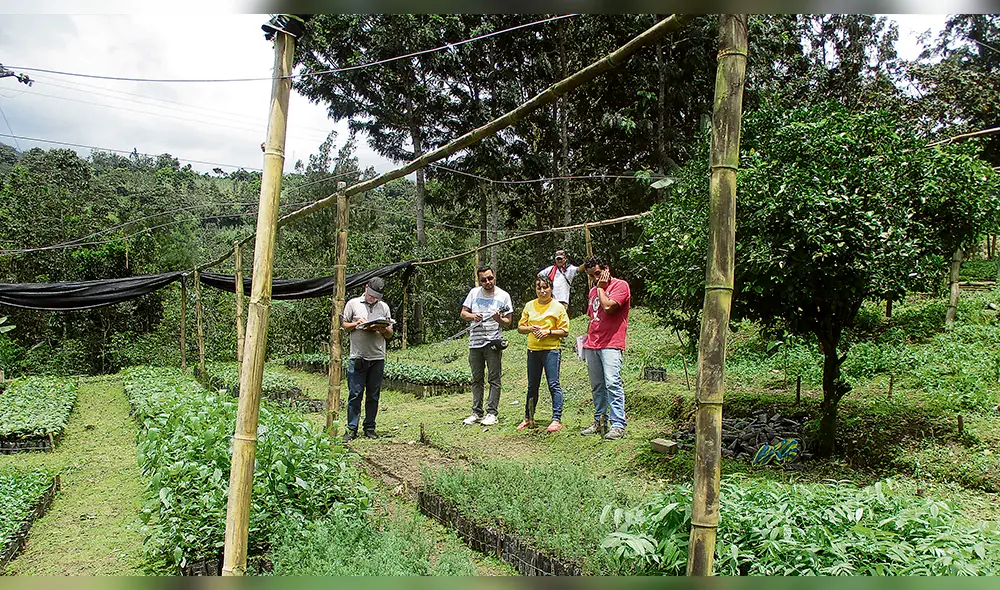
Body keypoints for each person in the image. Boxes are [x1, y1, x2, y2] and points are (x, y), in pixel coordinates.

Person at [580, 256, 631, 440]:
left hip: (611, 343)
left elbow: (609, 307)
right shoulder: (593, 291)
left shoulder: (620, 286)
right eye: (592, 276)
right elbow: (593, 316)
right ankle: (600, 419)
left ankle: (618, 424)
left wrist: (601, 288)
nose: (595, 278)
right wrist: (584, 341)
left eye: (598, 273)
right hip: (593, 343)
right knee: (597, 385)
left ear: (606, 269)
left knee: (612, 382)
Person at [341, 276, 393, 442]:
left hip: (377, 357)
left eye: (376, 297)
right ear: (366, 288)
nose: (373, 299)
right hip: (358, 356)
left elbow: (390, 333)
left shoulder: (384, 307)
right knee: (355, 394)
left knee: (373, 395)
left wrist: (381, 328)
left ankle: (370, 427)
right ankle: (351, 428)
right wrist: (358, 324)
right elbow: (345, 326)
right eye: (371, 295)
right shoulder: (353, 304)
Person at [460, 265, 513, 427]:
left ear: (494, 276)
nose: (487, 282)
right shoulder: (473, 293)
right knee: (477, 379)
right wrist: (472, 316)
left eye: (490, 278)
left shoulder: (503, 296)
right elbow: (463, 313)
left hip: (493, 342)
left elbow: (509, 322)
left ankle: (491, 412)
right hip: (475, 342)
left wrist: (499, 320)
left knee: (494, 378)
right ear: (479, 280)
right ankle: (476, 412)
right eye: (483, 280)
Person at [516, 275, 570, 433]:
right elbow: (520, 327)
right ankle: (528, 417)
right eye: (539, 287)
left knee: (553, 384)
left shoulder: (558, 307)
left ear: (551, 288)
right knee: (533, 385)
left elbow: (565, 331)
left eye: (545, 287)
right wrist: (531, 329)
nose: (542, 291)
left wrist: (548, 332)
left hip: (551, 350)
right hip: (533, 350)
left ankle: (556, 419)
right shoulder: (529, 305)